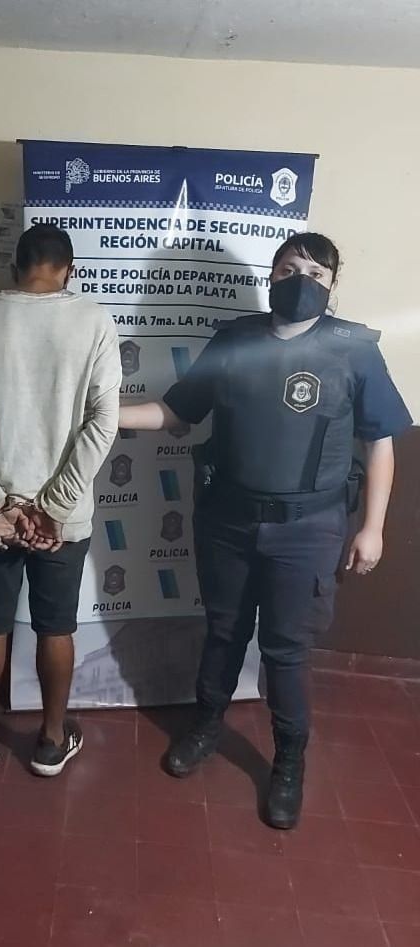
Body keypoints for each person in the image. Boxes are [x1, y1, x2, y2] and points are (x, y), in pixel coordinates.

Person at [118, 232, 412, 828]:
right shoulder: (234, 341)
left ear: (333, 284)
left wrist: (373, 528)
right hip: (227, 520)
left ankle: (289, 761)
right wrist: (100, 413)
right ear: (271, 274)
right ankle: (206, 726)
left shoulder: (355, 350)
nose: (301, 280)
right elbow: (175, 412)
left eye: (316, 273)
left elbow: (379, 442)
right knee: (223, 633)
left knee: (286, 649)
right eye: (289, 268)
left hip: (309, 529)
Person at [0, 223, 121, 776]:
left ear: (15, 266)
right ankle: (50, 741)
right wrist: (53, 507)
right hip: (63, 519)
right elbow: (103, 423)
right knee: (56, 627)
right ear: (70, 270)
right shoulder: (94, 320)